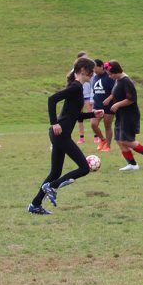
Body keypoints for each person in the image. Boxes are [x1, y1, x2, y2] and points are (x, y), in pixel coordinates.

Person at [29, 57, 104, 215]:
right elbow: (52, 99)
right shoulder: (76, 87)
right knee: (84, 168)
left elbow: (75, 115)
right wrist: (54, 123)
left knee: (55, 172)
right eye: (91, 71)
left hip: (59, 135)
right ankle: (53, 186)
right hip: (60, 133)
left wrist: (93, 114)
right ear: (83, 70)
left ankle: (35, 204)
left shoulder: (77, 87)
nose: (93, 74)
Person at [102, 61, 143, 171]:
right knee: (119, 139)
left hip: (129, 115)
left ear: (117, 71)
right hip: (121, 114)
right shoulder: (118, 80)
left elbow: (131, 99)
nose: (110, 76)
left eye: (111, 74)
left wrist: (117, 104)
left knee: (126, 140)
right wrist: (110, 98)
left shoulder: (126, 81)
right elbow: (117, 92)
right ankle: (132, 164)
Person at [90, 59, 115, 152]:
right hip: (97, 106)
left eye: (95, 67)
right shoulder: (94, 77)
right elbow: (94, 91)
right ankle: (103, 140)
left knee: (107, 126)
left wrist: (108, 99)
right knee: (93, 124)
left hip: (108, 106)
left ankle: (108, 146)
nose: (94, 70)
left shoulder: (109, 77)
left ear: (101, 66)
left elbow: (115, 91)